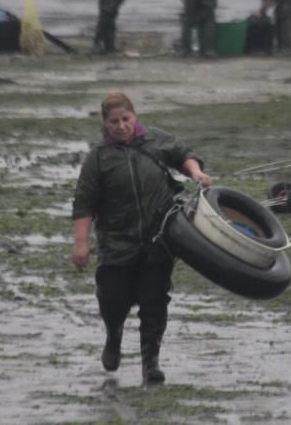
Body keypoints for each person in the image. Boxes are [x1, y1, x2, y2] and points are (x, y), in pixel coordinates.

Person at [71, 92, 212, 384]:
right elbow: (84, 204)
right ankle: (113, 336)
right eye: (114, 121)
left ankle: (151, 363)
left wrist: (196, 172)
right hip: (116, 243)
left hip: (158, 240)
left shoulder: (154, 140)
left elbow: (183, 154)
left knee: (154, 302)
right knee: (113, 299)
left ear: (134, 116)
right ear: (105, 123)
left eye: (126, 119)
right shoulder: (98, 158)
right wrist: (81, 243)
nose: (121, 126)